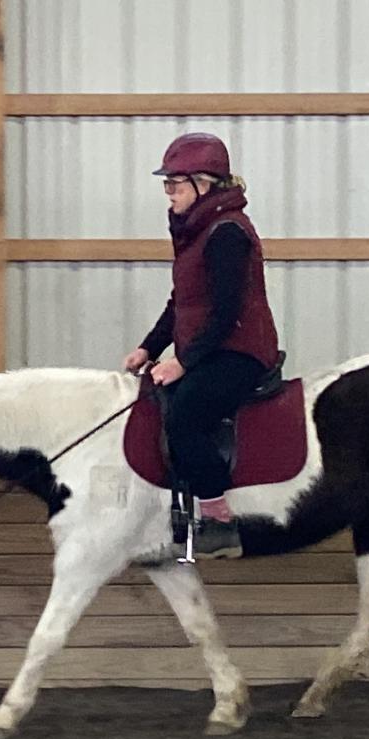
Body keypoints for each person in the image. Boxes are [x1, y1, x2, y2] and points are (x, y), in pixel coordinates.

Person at [122, 133, 280, 559]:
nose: (168, 193)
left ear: (204, 185)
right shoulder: (197, 231)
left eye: (175, 184)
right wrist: (148, 347)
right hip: (211, 347)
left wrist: (183, 362)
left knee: (187, 417)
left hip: (239, 349)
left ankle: (218, 519)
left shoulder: (227, 233)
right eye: (167, 184)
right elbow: (183, 304)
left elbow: (226, 311)